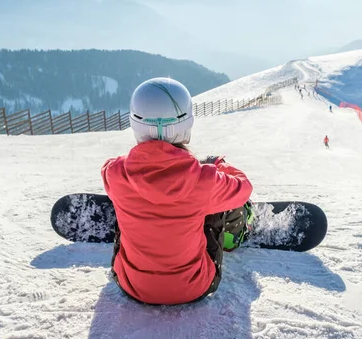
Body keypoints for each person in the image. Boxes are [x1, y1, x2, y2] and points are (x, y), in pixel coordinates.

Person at [101, 77, 254, 306]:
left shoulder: (116, 173)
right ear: (186, 126)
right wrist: (218, 166)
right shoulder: (205, 180)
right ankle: (232, 237)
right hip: (195, 287)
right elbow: (243, 188)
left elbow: (109, 169)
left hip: (131, 286)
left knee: (121, 202)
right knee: (217, 204)